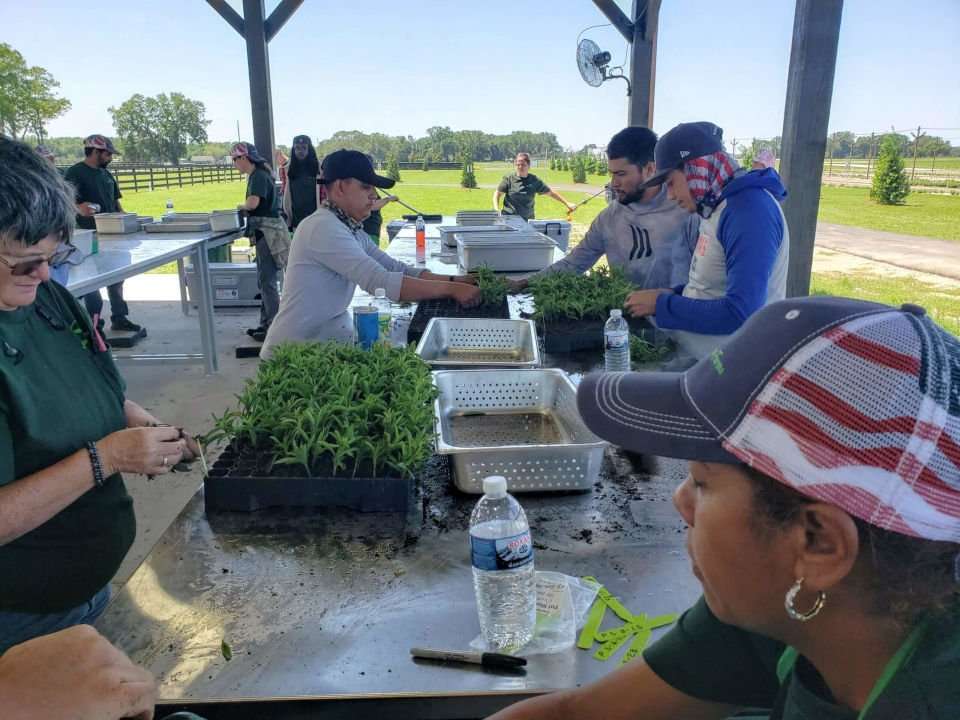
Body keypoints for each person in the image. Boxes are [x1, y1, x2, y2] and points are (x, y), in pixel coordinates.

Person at [490, 295, 960, 720]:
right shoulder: (781, 605)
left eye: (701, 483)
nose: (681, 500)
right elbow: (578, 714)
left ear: (817, 543)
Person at [0, 137, 200, 654]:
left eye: (54, 254)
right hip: (19, 618)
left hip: (85, 589)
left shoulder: (46, 296)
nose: (44, 273)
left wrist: (139, 424)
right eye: (26, 260)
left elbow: (91, 386)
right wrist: (107, 457)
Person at [260, 150, 481, 358]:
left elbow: (396, 269)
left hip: (319, 344)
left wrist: (458, 280)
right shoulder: (323, 227)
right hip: (291, 353)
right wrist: (451, 290)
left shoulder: (349, 227)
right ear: (340, 188)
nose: (374, 195)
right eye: (366, 187)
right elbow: (379, 282)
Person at [624, 121, 789, 360]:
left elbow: (740, 312)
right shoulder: (718, 208)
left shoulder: (748, 211)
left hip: (735, 370)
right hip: (706, 364)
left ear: (695, 169)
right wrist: (674, 293)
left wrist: (662, 305)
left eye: (671, 182)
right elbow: (714, 287)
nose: (670, 195)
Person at [508, 127, 690, 293]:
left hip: (678, 326)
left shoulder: (686, 213)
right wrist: (524, 283)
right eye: (611, 174)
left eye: (621, 174)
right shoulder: (609, 218)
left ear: (650, 169)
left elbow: (709, 284)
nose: (613, 183)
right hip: (625, 323)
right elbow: (574, 264)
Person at [64, 134, 143, 334]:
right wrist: (78, 207)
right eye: (108, 154)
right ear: (96, 152)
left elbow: (116, 202)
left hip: (112, 234)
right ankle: (93, 325)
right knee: (92, 280)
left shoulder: (106, 175)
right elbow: (63, 200)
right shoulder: (75, 173)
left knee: (117, 277)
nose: (110, 158)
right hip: (88, 235)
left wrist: (128, 219)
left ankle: (119, 316)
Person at [231, 142, 289, 344]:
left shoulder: (257, 177)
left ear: (244, 158)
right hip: (268, 231)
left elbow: (252, 204)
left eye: (234, 159)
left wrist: (238, 207)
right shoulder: (260, 174)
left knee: (268, 282)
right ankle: (265, 324)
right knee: (265, 280)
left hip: (268, 232)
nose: (234, 164)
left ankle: (273, 327)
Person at [494, 152, 576, 220]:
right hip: (509, 219)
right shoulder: (509, 179)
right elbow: (497, 194)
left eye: (523, 165)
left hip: (528, 220)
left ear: (529, 166)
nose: (520, 167)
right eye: (518, 164)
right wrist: (496, 210)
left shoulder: (534, 180)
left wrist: (567, 203)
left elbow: (551, 193)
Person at [282, 135, 321, 231]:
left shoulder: (318, 169)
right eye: (297, 148)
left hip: (315, 218)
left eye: (304, 148)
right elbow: (287, 194)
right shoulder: (288, 169)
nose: (300, 151)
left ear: (309, 149)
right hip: (296, 220)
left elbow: (323, 191)